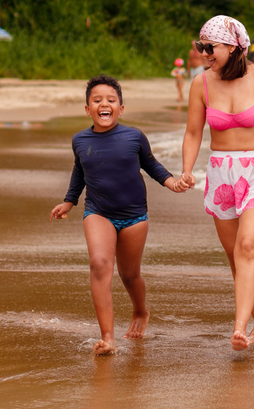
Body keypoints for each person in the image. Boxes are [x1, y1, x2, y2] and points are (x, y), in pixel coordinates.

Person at [178, 15, 254, 351]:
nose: (203, 53)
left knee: (247, 246)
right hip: (222, 175)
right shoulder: (201, 84)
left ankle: (239, 328)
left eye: (210, 47)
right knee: (238, 258)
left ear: (233, 47)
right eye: (201, 46)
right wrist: (186, 169)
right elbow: (193, 132)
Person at [50, 75, 188, 355]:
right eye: (97, 100)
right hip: (98, 211)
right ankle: (108, 337)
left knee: (129, 274)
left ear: (121, 108)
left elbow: (150, 165)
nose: (104, 104)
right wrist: (69, 201)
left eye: (111, 100)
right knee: (100, 264)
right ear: (87, 108)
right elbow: (80, 172)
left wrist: (171, 182)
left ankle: (140, 311)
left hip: (134, 215)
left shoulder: (133, 136)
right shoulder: (80, 140)